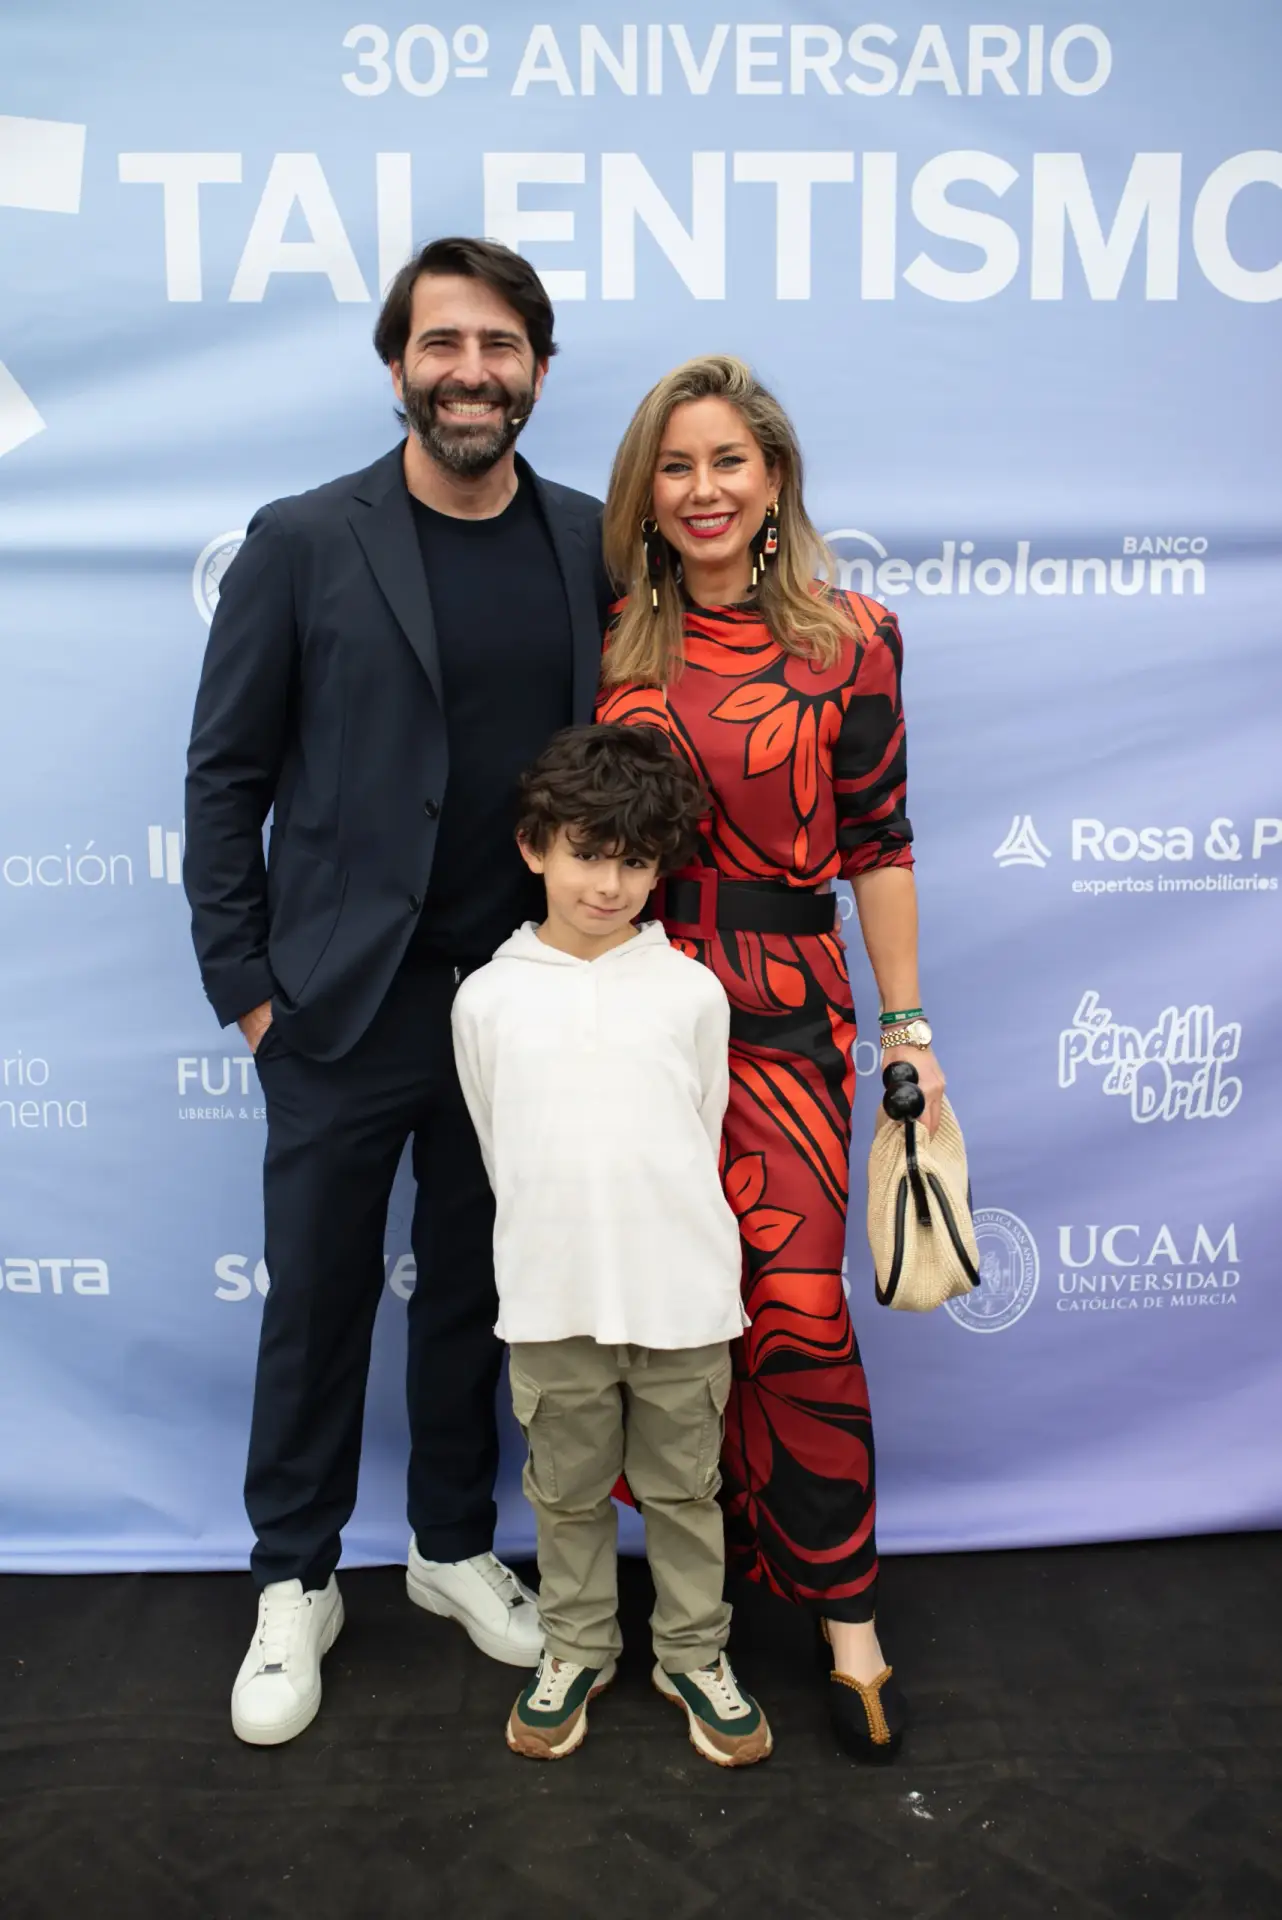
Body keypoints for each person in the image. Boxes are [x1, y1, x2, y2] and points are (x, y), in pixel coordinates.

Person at [184, 237, 611, 1746]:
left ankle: (448, 1546)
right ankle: (293, 1578)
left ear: (537, 371)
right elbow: (226, 776)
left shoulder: (587, 541)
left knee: (479, 1299)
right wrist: (249, 989)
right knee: (315, 1301)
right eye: (442, 344)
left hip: (521, 1006)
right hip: (340, 1007)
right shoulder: (304, 540)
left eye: (498, 346)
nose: (469, 372)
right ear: (397, 367)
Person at [596, 354, 945, 1762]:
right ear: (645, 492)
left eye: (727, 462)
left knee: (797, 1310)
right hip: (628, 1005)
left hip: (787, 1008)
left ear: (775, 476)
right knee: (668, 1321)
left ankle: (846, 1616)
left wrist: (907, 1028)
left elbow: (879, 842)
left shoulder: (853, 638)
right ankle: (701, 1603)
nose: (702, 490)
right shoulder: (610, 641)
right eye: (674, 467)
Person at [451, 724, 773, 1768]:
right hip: (552, 1298)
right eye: (587, 854)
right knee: (565, 1493)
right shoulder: (487, 997)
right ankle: (576, 1648)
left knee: (685, 1492)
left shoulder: (688, 990)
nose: (610, 884)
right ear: (533, 847)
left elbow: (699, 1126)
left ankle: (694, 1653)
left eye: (635, 862)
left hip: (682, 1297)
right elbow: (500, 1145)